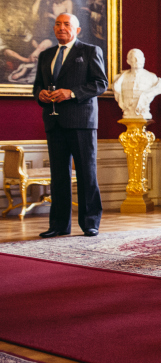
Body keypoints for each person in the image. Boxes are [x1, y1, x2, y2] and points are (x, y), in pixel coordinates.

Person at [32, 13, 107, 237]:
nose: (61, 28)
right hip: (54, 122)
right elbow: (37, 87)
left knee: (86, 173)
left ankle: (90, 223)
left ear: (77, 30)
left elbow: (100, 83)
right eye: (58, 24)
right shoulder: (46, 55)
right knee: (59, 176)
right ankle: (58, 225)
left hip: (81, 122)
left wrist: (72, 93)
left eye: (67, 24)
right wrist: (41, 95)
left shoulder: (90, 51)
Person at [112, 49, 161, 120]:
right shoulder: (120, 79)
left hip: (143, 113)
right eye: (134, 58)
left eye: (140, 57)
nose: (137, 60)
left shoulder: (152, 78)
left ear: (144, 59)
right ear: (128, 61)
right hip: (128, 113)